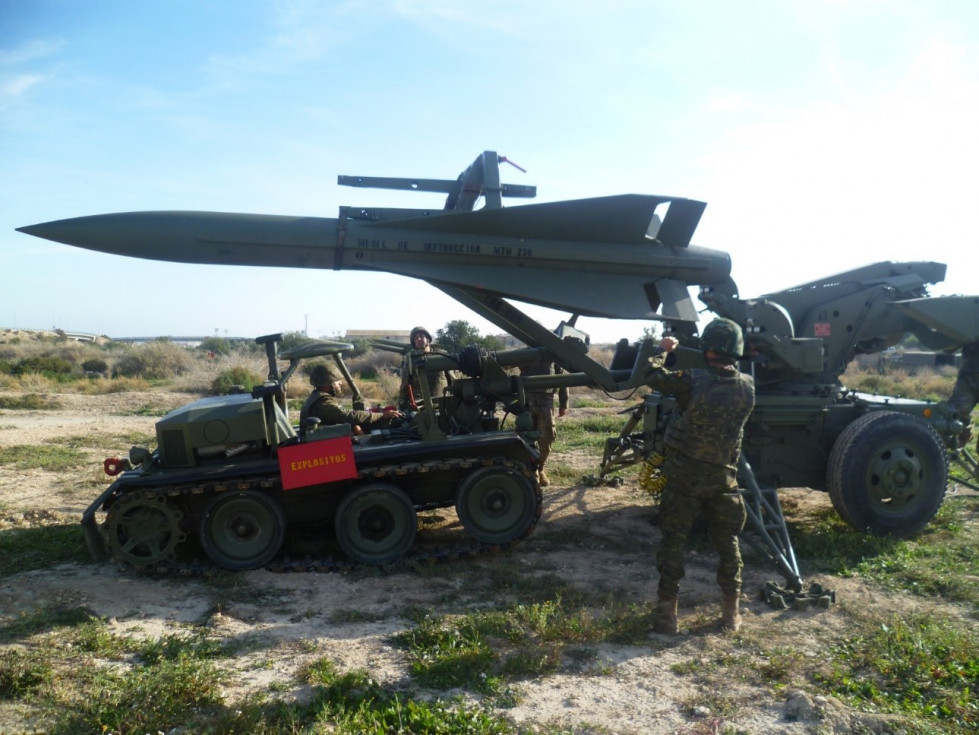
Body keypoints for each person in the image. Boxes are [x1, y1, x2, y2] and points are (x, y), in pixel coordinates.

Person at [646, 318, 755, 634]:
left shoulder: (691, 380)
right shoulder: (748, 387)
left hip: (684, 480)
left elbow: (652, 376)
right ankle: (731, 615)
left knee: (673, 542)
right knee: (728, 545)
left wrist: (662, 350)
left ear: (707, 348)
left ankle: (667, 617)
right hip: (723, 481)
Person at [300, 363, 402, 435]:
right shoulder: (322, 403)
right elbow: (347, 416)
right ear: (328, 382)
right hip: (324, 443)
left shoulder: (318, 397)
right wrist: (381, 415)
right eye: (337, 381)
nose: (340, 383)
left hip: (323, 437)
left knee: (356, 427)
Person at [520, 359, 568, 487]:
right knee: (525, 438)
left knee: (547, 438)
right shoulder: (527, 354)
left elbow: (563, 379)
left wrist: (564, 403)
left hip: (547, 401)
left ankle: (540, 469)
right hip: (527, 400)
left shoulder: (553, 356)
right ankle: (531, 471)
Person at [397, 326, 448, 411]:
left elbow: (452, 379)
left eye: (421, 336)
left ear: (428, 338)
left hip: (442, 405)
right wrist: (402, 405)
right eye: (416, 338)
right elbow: (405, 386)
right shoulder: (410, 361)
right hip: (421, 407)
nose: (419, 339)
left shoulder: (441, 356)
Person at [948, 341, 979, 452]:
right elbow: (947, 347)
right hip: (969, 374)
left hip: (968, 373)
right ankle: (965, 431)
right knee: (953, 414)